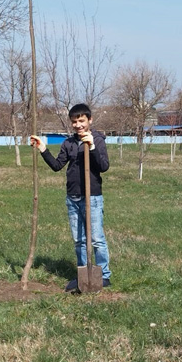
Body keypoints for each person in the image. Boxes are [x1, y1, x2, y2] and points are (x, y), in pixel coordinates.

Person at [30, 103, 112, 291]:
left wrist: (91, 146)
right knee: (79, 240)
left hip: (92, 197)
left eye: (81, 120)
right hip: (73, 197)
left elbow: (104, 166)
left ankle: (104, 275)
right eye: (74, 121)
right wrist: (43, 149)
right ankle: (83, 273)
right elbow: (57, 165)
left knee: (97, 239)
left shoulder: (97, 140)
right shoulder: (68, 143)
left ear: (89, 120)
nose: (78, 125)